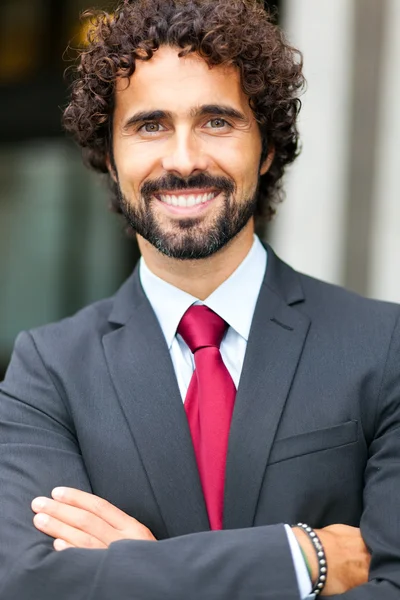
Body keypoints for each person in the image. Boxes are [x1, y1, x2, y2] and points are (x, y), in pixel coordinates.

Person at [0, 0, 399, 598]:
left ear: (266, 148)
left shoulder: (384, 345)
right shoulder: (47, 371)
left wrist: (133, 568)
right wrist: (300, 557)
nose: (184, 160)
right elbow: (30, 583)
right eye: (149, 125)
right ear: (110, 156)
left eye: (217, 121)